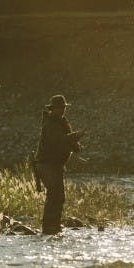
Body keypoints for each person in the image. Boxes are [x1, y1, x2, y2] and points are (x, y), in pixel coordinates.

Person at [33, 94, 83, 235]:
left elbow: (68, 141)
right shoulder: (49, 124)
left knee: (58, 196)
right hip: (47, 165)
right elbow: (59, 140)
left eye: (63, 107)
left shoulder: (62, 123)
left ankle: (54, 226)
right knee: (55, 195)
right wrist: (75, 136)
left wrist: (76, 146)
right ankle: (49, 227)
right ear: (52, 109)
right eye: (59, 108)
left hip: (55, 166)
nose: (62, 110)